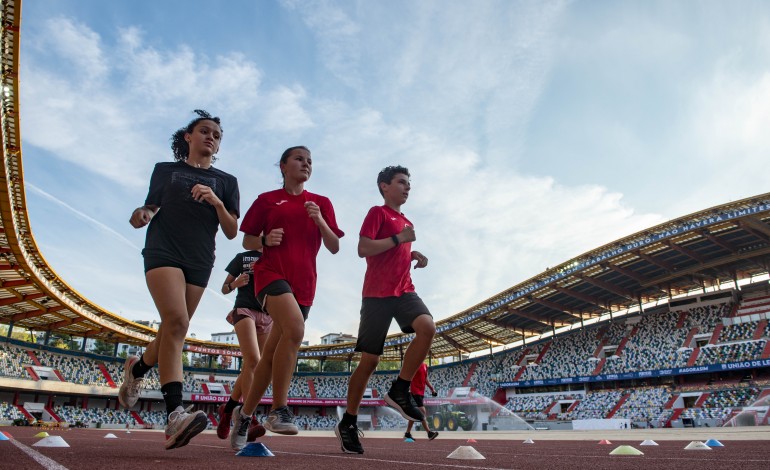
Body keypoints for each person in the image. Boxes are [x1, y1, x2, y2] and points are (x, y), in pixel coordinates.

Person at [118, 110, 240, 450]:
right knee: (177, 321)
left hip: (201, 258)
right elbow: (150, 207)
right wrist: (142, 214)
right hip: (163, 249)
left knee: (174, 329)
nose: (211, 137)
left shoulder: (227, 181)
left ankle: (137, 369)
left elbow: (231, 231)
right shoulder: (166, 170)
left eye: (216, 134)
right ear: (188, 137)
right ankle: (175, 415)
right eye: (204, 131)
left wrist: (216, 202)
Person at [230, 146, 344, 451]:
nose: (305, 164)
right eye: (299, 159)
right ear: (283, 166)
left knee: (269, 358)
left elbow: (334, 246)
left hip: (305, 285)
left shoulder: (321, 203)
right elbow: (248, 239)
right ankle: (279, 409)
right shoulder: (267, 200)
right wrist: (265, 240)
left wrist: (320, 221)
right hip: (270, 275)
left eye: (309, 161)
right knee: (295, 329)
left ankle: (245, 415)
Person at [335, 165, 436, 454]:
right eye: (401, 182)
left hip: (404, 290)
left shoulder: (406, 220)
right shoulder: (377, 213)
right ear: (384, 186)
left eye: (409, 184)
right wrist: (400, 241)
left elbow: (394, 252)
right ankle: (349, 423)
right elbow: (364, 248)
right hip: (376, 295)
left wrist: (412, 254)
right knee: (370, 361)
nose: (407, 187)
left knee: (427, 328)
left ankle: (399, 390)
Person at [215, 250, 272, 443]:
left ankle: (228, 410)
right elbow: (223, 288)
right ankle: (250, 418)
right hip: (244, 308)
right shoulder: (243, 257)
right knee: (254, 362)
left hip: (268, 315)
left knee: (252, 365)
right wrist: (234, 284)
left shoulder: (279, 256)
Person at [404, 362, 438, 440]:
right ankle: (429, 433)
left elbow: (425, 379)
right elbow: (408, 377)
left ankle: (407, 433)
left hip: (421, 392)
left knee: (414, 414)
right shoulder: (414, 364)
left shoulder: (425, 365)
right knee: (422, 411)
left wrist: (432, 389)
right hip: (414, 391)